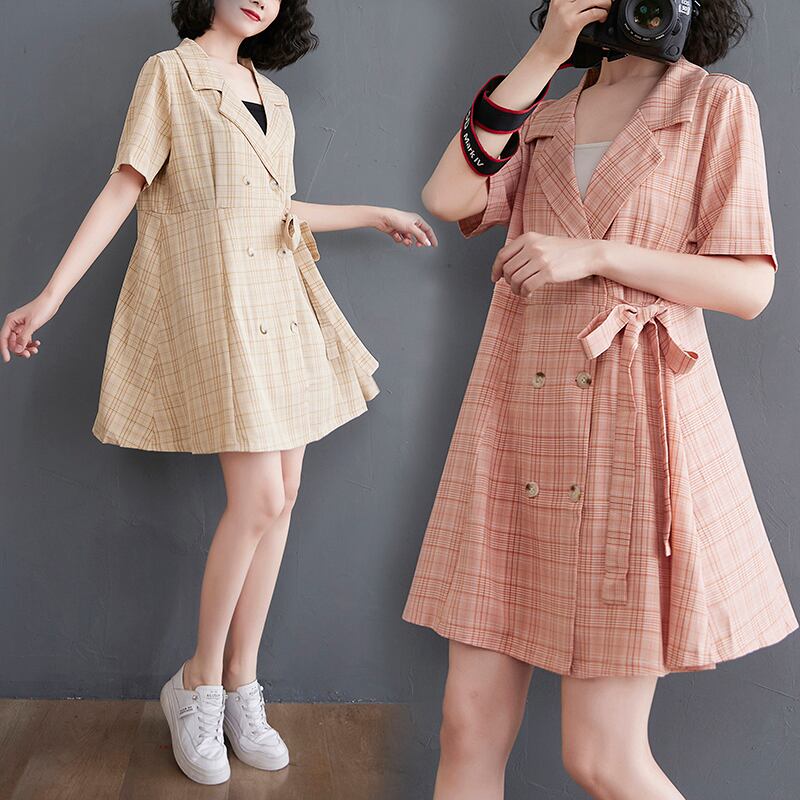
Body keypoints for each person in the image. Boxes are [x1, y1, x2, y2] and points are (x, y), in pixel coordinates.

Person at [0, 0, 437, 787]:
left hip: (281, 299)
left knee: (285, 495)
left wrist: (374, 214)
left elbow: (275, 209)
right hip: (216, 305)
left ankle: (241, 684)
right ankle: (196, 684)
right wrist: (51, 296)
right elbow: (125, 187)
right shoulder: (169, 74)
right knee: (259, 498)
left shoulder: (276, 97)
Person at [402, 1, 797, 798]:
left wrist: (597, 254)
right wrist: (547, 52)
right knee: (467, 728)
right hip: (514, 420)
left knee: (601, 757)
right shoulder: (544, 112)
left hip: (631, 428)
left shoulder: (711, 103)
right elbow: (446, 196)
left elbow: (749, 287)